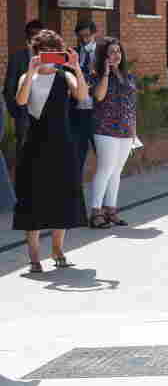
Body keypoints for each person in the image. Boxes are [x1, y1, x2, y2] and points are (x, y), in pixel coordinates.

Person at [12, 30, 89, 272]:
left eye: (53, 51)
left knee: (62, 196)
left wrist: (76, 68)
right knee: (32, 197)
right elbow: (21, 101)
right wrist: (32, 71)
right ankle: (34, 257)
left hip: (62, 144)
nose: (48, 56)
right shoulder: (28, 76)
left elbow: (83, 96)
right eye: (43, 51)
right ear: (36, 52)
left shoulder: (65, 76)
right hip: (34, 144)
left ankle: (57, 249)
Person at [87, 38, 139, 229]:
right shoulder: (95, 76)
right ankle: (95, 212)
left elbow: (132, 105)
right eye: (112, 52)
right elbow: (99, 96)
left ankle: (111, 210)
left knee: (116, 171)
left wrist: (134, 130)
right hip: (105, 129)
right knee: (105, 169)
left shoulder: (129, 77)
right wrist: (106, 74)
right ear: (104, 56)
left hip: (125, 130)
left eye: (118, 51)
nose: (116, 55)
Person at [4, 20, 46, 152]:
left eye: (38, 36)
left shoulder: (51, 57)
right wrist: (16, 112)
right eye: (31, 35)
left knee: (45, 149)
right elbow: (9, 88)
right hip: (24, 114)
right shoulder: (17, 58)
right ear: (27, 37)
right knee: (23, 149)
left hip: (46, 114)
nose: (34, 39)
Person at [71, 19, 98, 177]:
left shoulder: (103, 54)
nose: (84, 40)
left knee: (102, 154)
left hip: (97, 112)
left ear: (95, 34)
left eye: (87, 36)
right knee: (77, 156)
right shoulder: (73, 54)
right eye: (80, 37)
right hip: (78, 112)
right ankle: (77, 193)